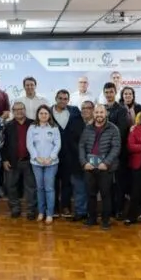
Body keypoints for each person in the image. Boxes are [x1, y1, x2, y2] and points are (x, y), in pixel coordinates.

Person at [79, 104, 121, 229]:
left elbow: (116, 147)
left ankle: (105, 221)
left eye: (101, 112)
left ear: (106, 113)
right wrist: (84, 162)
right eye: (97, 112)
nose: (99, 115)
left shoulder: (113, 129)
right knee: (90, 194)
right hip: (89, 166)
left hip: (105, 167)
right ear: (93, 114)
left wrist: (106, 163)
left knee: (105, 194)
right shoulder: (87, 128)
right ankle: (91, 219)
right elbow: (81, 146)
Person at [53, 90, 85, 220]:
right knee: (53, 182)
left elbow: (80, 129)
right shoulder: (48, 112)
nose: (63, 101)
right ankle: (54, 207)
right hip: (52, 154)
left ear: (68, 100)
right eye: (60, 98)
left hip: (70, 154)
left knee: (67, 182)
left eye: (65, 99)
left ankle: (65, 206)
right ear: (56, 98)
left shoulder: (75, 111)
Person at [1, 101, 36, 220]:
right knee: (11, 186)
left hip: (30, 161)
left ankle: (31, 210)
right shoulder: (7, 125)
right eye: (16, 110)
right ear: (12, 111)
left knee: (31, 187)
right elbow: (3, 144)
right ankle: (15, 208)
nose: (19, 111)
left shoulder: (33, 124)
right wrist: (4, 159)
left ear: (25, 110)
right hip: (12, 161)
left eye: (21, 109)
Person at [27, 105, 61, 224]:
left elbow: (57, 145)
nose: (43, 115)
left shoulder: (54, 127)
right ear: (38, 115)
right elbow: (29, 144)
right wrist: (37, 157)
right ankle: (41, 212)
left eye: (46, 113)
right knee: (40, 188)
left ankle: (50, 213)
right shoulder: (32, 127)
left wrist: (50, 158)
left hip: (51, 163)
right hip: (36, 163)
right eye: (41, 113)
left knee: (49, 188)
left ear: (49, 115)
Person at [102, 81, 130, 219]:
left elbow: (122, 131)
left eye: (111, 92)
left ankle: (119, 210)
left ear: (115, 92)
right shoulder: (102, 108)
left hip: (119, 153)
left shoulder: (122, 109)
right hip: (104, 153)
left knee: (119, 183)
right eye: (106, 92)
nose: (109, 95)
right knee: (107, 183)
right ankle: (110, 209)